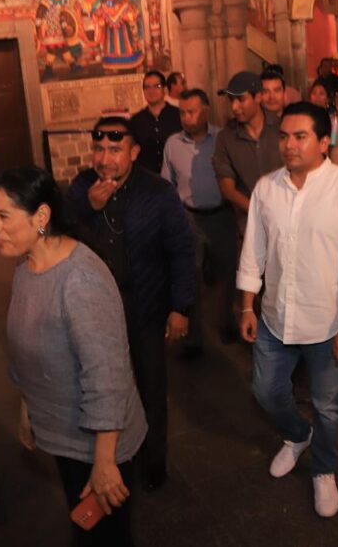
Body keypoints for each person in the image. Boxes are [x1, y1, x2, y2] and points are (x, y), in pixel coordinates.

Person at [0, 168, 146, 546]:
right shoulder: (26, 268)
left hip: (97, 444)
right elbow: (26, 348)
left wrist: (104, 462)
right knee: (85, 530)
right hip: (64, 434)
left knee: (105, 539)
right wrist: (28, 407)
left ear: (41, 216)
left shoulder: (80, 280)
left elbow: (108, 377)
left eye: (3, 216)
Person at [238, 102, 338, 518]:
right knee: (266, 391)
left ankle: (324, 468)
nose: (289, 145)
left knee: (327, 405)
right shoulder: (266, 189)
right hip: (275, 317)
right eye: (284, 136)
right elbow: (253, 251)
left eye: (300, 137)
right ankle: (299, 435)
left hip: (327, 322)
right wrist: (247, 306)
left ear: (323, 142)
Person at [66, 117, 195, 489]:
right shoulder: (81, 187)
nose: (105, 159)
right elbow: (50, 232)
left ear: (134, 152)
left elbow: (182, 251)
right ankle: (109, 458)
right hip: (93, 310)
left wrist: (180, 307)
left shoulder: (158, 192)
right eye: (98, 149)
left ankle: (153, 464)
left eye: (115, 150)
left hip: (144, 305)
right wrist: (86, 207)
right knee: (100, 385)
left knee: (151, 387)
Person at [162, 89, 238, 348]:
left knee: (227, 274)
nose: (186, 117)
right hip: (189, 218)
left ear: (205, 111)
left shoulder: (222, 139)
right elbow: (167, 183)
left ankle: (227, 323)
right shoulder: (173, 144)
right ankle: (192, 335)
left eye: (192, 112)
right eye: (182, 112)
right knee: (190, 276)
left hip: (221, 216)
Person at [212, 71, 284, 235]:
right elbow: (227, 189)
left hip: (285, 223)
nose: (234, 107)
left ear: (258, 97)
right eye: (231, 100)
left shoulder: (282, 128)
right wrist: (258, 210)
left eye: (241, 99)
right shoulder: (226, 137)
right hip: (248, 229)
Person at [129, 70, 181, 174]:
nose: (151, 91)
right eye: (147, 87)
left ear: (165, 89)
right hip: (147, 178)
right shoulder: (136, 121)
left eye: (156, 86)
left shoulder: (178, 115)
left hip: (176, 174)